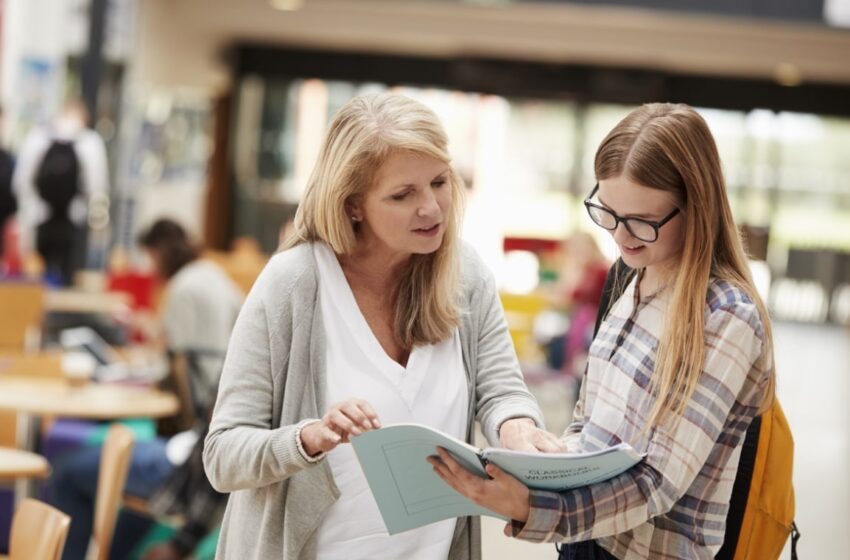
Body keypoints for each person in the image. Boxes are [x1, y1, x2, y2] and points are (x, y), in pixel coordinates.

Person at [202, 92, 563, 560]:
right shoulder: (294, 284)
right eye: (403, 194)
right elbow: (223, 457)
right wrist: (308, 437)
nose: (432, 208)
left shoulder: (466, 275)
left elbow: (501, 392)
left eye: (439, 182)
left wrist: (517, 427)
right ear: (353, 205)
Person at [429, 103, 776, 560]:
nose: (621, 235)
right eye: (608, 212)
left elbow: (657, 483)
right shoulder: (627, 277)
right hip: (583, 543)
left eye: (642, 222)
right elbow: (588, 421)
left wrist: (533, 506)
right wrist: (545, 458)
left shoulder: (725, 315)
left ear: (696, 206)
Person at [50, 219, 243, 560]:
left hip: (192, 438)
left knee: (67, 472)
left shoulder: (183, 287)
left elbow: (175, 365)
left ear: (158, 253)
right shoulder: (215, 275)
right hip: (197, 437)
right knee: (136, 497)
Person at [12, 98, 109, 285]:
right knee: (68, 275)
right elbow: (98, 185)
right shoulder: (90, 142)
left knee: (36, 275)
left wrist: (30, 210)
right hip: (73, 218)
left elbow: (21, 180)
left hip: (40, 217)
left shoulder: (38, 137)